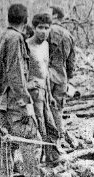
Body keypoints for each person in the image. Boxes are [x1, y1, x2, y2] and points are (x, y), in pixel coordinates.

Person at [0, 3, 41, 177]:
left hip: (1, 101)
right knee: (31, 142)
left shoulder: (1, 37)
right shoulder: (16, 38)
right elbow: (16, 73)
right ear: (25, 21)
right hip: (15, 103)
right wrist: (25, 101)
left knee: (5, 145)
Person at [27, 13, 60, 162]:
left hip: (45, 93)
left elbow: (45, 71)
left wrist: (51, 96)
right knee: (39, 126)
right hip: (33, 94)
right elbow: (19, 71)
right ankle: (38, 161)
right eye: (40, 27)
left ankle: (51, 158)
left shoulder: (46, 45)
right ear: (34, 28)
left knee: (51, 125)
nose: (43, 31)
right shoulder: (26, 46)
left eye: (47, 28)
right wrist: (27, 86)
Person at [48, 6, 76, 139]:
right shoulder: (69, 36)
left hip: (47, 75)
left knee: (45, 107)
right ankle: (60, 135)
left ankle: (51, 138)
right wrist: (68, 78)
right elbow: (71, 63)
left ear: (54, 16)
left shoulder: (46, 31)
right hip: (61, 76)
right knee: (58, 108)